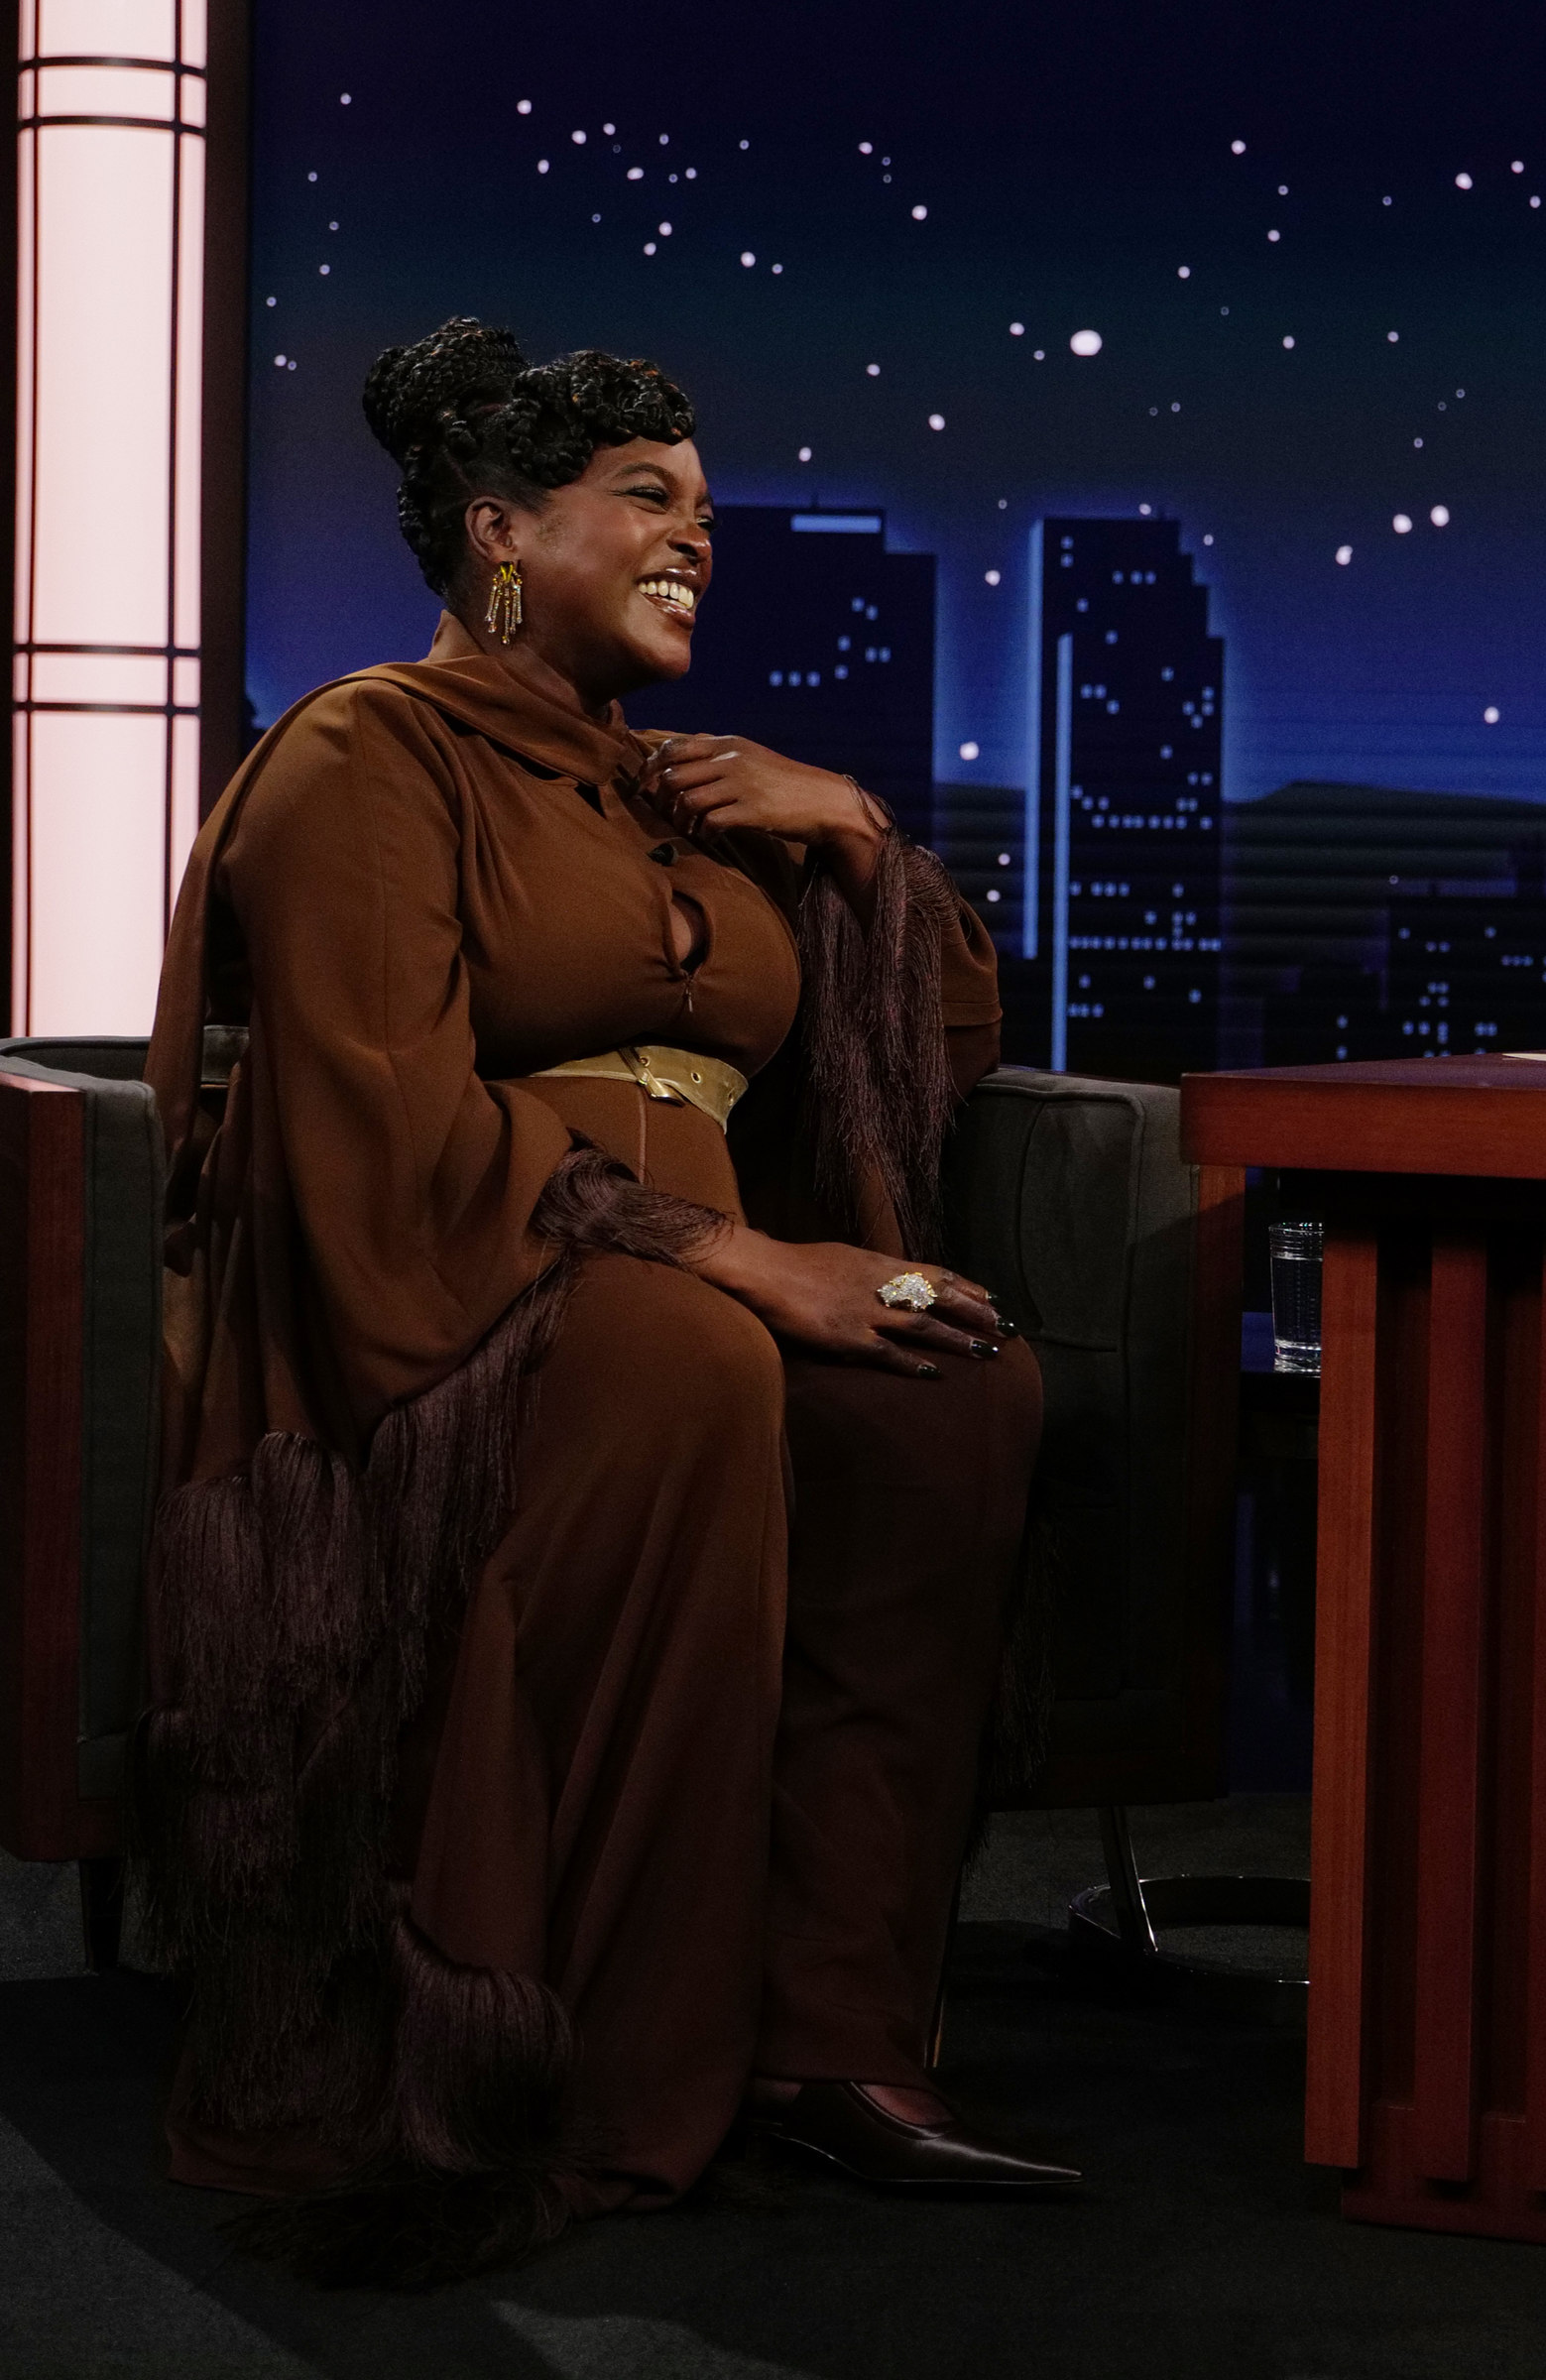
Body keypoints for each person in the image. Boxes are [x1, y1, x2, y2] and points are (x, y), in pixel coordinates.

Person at [137, 317, 1070, 2285]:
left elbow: (937, 1051)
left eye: (705, 507)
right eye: (646, 497)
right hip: (444, 1294)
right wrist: (743, 1262)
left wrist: (854, 833)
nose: (696, 537)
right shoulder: (366, 753)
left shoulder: (688, 793)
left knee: (950, 1389)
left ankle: (830, 2042)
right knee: (690, 1363)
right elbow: (378, 1117)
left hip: (688, 1286)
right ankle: (618, 2071)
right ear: (500, 530)